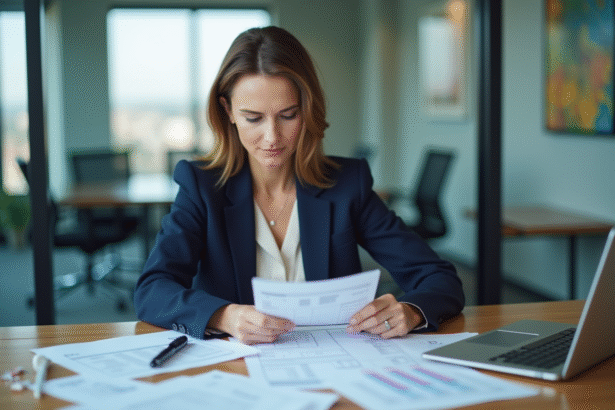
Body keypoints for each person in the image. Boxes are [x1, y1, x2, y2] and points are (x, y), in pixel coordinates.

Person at [134, 26, 464, 344]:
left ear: (306, 109)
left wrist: (410, 311)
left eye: (288, 115)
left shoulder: (347, 184)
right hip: (236, 372)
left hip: (336, 366)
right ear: (228, 110)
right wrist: (224, 317)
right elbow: (153, 289)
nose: (272, 137)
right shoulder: (202, 186)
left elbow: (439, 278)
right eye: (253, 118)